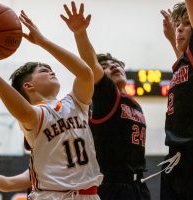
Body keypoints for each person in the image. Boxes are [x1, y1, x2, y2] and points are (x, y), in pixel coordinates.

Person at [0, 10, 103, 200]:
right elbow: (22, 111)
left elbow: (86, 74)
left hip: (89, 194)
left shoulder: (75, 103)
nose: (52, 72)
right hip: (52, 196)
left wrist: (43, 42)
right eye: (45, 71)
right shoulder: (35, 115)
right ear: (28, 86)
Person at [60, 2, 151, 200]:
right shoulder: (107, 97)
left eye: (117, 64)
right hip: (112, 187)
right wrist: (80, 33)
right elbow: (90, 64)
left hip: (138, 186)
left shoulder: (133, 102)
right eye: (106, 66)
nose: (114, 67)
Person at [159, 1, 193, 200]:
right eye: (177, 25)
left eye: (186, 23)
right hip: (175, 156)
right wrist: (170, 38)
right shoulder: (183, 63)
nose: (180, 28)